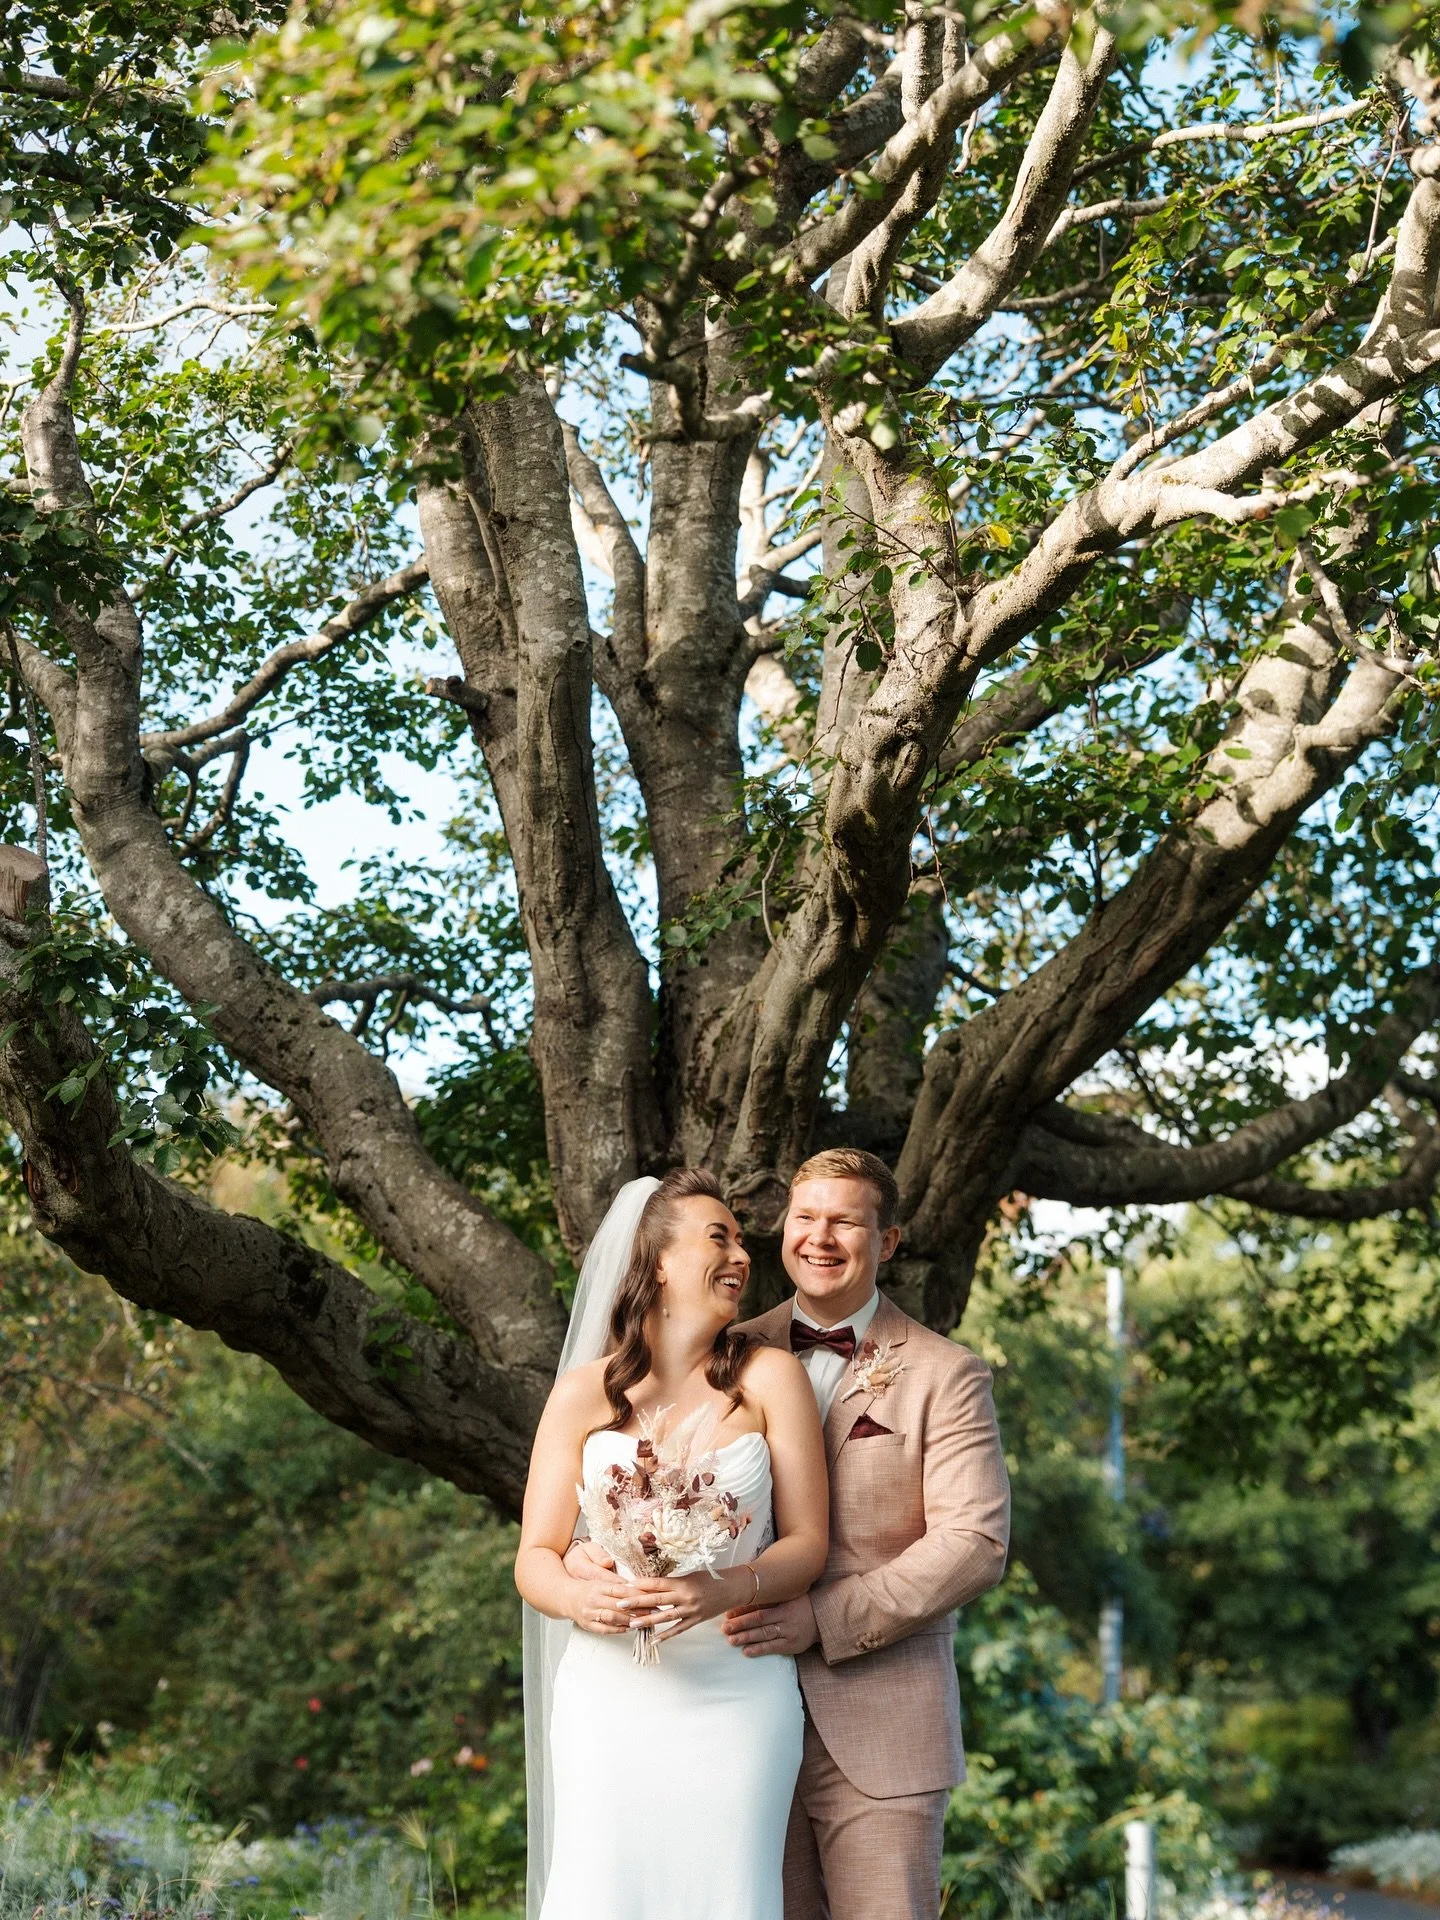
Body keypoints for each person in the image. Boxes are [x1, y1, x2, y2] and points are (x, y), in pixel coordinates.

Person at [515, 1168, 829, 1920]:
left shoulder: (771, 1379)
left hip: (737, 1693)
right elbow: (535, 1557)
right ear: (656, 1261)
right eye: (718, 1237)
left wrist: (730, 1587)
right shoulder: (584, 1393)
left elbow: (810, 1543)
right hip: (607, 1698)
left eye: (744, 1241)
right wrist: (578, 1596)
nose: (742, 1256)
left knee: (728, 1895)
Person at [721, 1146, 1012, 1920]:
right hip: (732, 1710)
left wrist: (821, 1619)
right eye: (806, 1217)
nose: (820, 1238)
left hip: (882, 1726)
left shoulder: (946, 1373)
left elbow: (975, 1543)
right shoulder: (723, 1357)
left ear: (885, 1241)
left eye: (845, 1222)